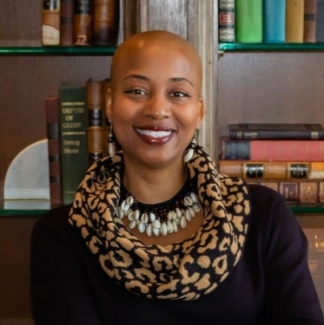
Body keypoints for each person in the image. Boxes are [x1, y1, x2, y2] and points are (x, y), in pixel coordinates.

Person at [31, 30, 324, 325]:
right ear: (109, 105)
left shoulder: (264, 216)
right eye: (136, 91)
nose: (157, 109)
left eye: (178, 94)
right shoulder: (64, 235)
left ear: (199, 111)